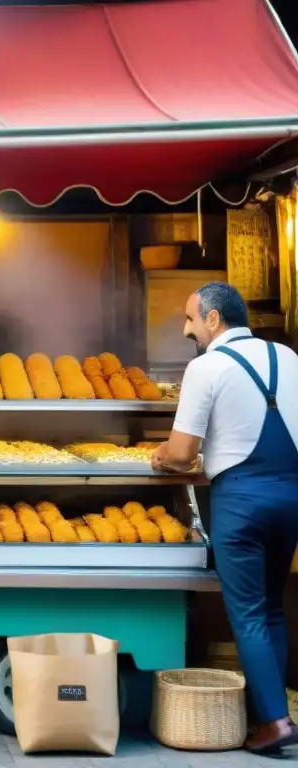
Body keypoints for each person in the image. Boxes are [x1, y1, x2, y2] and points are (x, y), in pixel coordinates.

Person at [152, 281, 298, 754]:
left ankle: (276, 724)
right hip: (291, 497)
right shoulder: (290, 360)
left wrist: (158, 457)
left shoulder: (206, 366)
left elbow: (181, 453)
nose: (186, 329)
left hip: (241, 501)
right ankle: (270, 714)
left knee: (249, 614)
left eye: (191, 319)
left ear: (214, 320)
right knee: (272, 606)